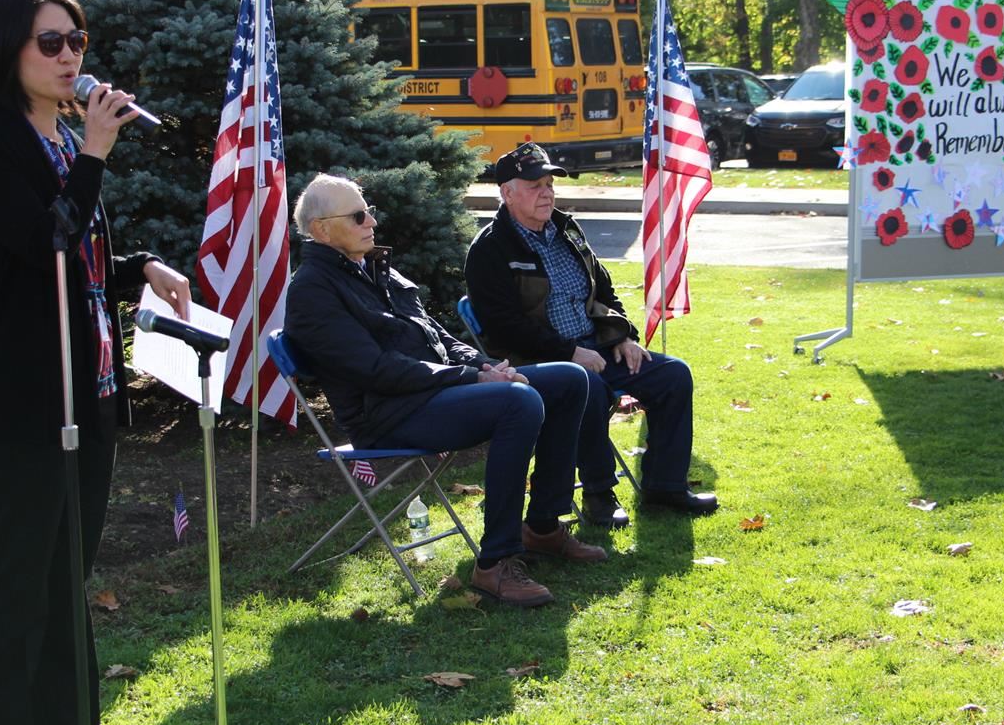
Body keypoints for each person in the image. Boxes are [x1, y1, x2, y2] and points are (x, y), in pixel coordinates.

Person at [0, 0, 192, 725]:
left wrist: (141, 267)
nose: (69, 59)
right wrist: (95, 150)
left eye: (76, 42)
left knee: (68, 574)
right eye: (49, 44)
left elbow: (84, 261)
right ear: (7, 54)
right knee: (18, 576)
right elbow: (42, 247)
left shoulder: (61, 138)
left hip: (89, 392)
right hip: (27, 400)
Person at [284, 174, 605, 607]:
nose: (371, 223)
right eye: (358, 216)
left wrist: (484, 365)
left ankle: (543, 528)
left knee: (570, 379)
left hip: (426, 394)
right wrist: (472, 379)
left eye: (370, 212)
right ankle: (495, 563)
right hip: (386, 414)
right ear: (321, 229)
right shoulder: (312, 290)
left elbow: (437, 338)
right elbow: (375, 370)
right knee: (520, 400)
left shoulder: (376, 268)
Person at [464, 143, 719, 528]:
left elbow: (603, 289)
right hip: (540, 362)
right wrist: (569, 352)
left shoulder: (566, 228)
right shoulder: (490, 249)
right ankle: (600, 494)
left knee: (673, 374)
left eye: (549, 184)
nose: (547, 193)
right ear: (507, 193)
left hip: (596, 347)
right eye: (534, 186)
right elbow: (504, 327)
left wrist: (622, 336)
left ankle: (664, 485)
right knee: (588, 388)